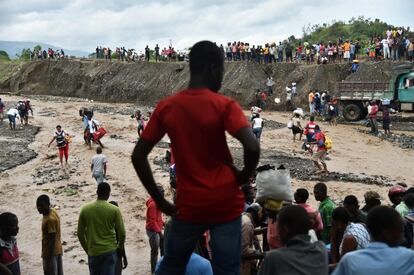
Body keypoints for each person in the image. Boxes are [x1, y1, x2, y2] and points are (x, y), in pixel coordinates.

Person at [131, 40, 260, 275]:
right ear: (213, 67)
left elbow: (138, 155)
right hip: (225, 203)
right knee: (227, 269)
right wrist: (242, 177)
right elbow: (252, 145)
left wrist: (160, 201)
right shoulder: (224, 105)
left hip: (189, 206)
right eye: (222, 70)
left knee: (171, 265)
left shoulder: (168, 106)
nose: (222, 76)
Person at [332, 206, 414, 275]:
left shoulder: (349, 260)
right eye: (400, 231)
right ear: (386, 234)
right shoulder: (409, 258)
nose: (403, 237)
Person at [258, 205, 328, 275]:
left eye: (278, 227)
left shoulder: (273, 258)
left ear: (285, 229)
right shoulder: (321, 249)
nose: (277, 232)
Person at [77, 182, 126, 275]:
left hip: (93, 252)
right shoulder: (114, 209)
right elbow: (122, 233)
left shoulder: (85, 209)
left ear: (97, 192)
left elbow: (80, 234)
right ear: (108, 193)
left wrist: (87, 249)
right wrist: (119, 248)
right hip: (110, 251)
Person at [36, 195, 64, 275]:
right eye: (38, 206)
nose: (39, 208)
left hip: (51, 252)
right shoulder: (53, 212)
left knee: (51, 271)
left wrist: (49, 257)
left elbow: (52, 238)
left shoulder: (49, 220)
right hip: (57, 249)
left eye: (41, 206)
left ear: (48, 205)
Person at [241, 203, 264, 275]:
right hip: (241, 266)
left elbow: (248, 233)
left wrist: (263, 230)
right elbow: (244, 251)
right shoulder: (247, 224)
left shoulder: (244, 217)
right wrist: (261, 254)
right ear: (256, 213)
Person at [146, 186, 165, 274]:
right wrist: (160, 232)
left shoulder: (157, 202)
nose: (164, 193)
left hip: (157, 229)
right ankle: (154, 270)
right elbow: (152, 222)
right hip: (153, 230)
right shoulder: (153, 204)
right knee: (155, 251)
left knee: (162, 248)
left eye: (163, 191)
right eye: (162, 192)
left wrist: (163, 223)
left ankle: (161, 267)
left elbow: (158, 217)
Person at [109, 201, 128, 275]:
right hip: (117, 252)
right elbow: (121, 238)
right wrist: (124, 257)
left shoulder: (105, 223)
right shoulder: (117, 223)